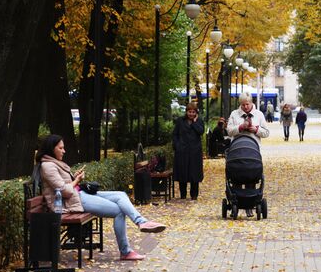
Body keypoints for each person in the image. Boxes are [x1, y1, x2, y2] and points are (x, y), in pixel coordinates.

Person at [35, 134, 165, 261]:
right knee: (119, 211)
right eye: (60, 148)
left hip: (79, 195)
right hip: (73, 200)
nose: (64, 151)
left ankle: (141, 222)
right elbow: (63, 191)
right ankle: (126, 252)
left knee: (121, 194)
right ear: (51, 149)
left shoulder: (54, 163)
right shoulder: (48, 166)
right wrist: (77, 180)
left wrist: (74, 177)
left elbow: (64, 185)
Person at [227, 91, 270, 216]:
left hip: (253, 151)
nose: (245, 107)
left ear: (251, 102)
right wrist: (240, 128)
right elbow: (229, 131)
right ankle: (236, 201)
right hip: (237, 151)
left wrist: (255, 129)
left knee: (251, 176)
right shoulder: (235, 114)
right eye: (243, 105)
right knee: (237, 176)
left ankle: (250, 204)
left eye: (247, 104)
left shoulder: (258, 114)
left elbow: (266, 132)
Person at [173, 102, 205, 200]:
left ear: (196, 113)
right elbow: (175, 134)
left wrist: (195, 122)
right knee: (183, 172)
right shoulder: (180, 121)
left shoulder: (199, 121)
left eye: (193, 112)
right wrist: (177, 146)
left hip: (195, 151)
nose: (191, 114)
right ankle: (183, 194)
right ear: (186, 112)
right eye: (189, 112)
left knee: (194, 173)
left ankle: (194, 195)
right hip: (182, 150)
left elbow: (201, 132)